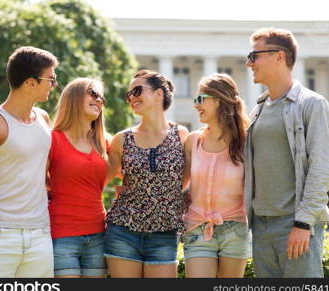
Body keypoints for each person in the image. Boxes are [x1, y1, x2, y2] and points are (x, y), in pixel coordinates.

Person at [245, 27, 329, 277]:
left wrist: (303, 222)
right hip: (261, 226)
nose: (249, 63)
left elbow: (323, 166)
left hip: (295, 222)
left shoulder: (312, 104)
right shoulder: (257, 111)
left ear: (279, 56)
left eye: (254, 56)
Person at [0, 46, 58, 278]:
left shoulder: (44, 119)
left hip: (39, 234)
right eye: (51, 79)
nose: (54, 85)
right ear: (30, 83)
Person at [105, 70, 189, 278]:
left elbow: (186, 179)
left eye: (137, 90)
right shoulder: (121, 140)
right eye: (129, 95)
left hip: (164, 233)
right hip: (122, 230)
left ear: (159, 93)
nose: (132, 97)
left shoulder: (182, 135)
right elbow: (101, 180)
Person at [182, 73, 251, 278]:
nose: (195, 105)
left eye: (200, 99)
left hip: (235, 229)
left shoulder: (247, 142)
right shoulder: (193, 141)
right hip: (197, 228)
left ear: (219, 100)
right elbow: (180, 184)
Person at [48, 78, 108, 278]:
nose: (98, 100)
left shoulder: (103, 143)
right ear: (74, 97)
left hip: (99, 234)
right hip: (63, 235)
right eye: (93, 93)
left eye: (101, 97)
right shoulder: (52, 139)